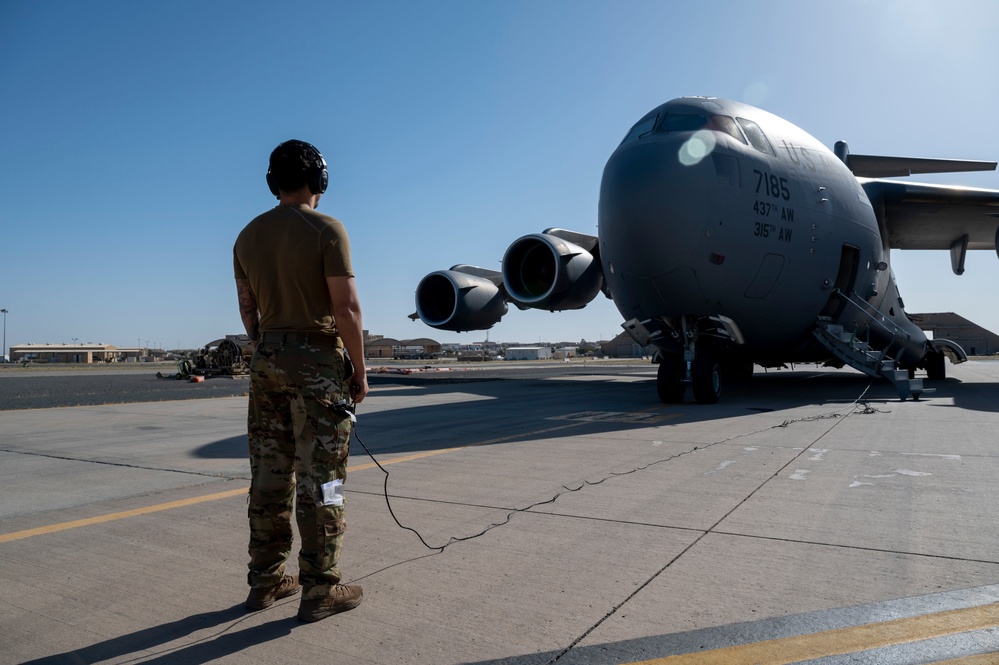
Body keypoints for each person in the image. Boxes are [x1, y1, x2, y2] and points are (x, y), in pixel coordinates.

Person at [233, 139, 369, 622]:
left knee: (269, 477)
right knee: (324, 480)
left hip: (266, 359)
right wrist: (359, 367)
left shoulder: (247, 237)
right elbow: (346, 307)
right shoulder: (327, 229)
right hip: (318, 365)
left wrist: (272, 347)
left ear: (274, 182)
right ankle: (320, 588)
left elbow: (248, 310)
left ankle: (266, 581)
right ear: (319, 179)